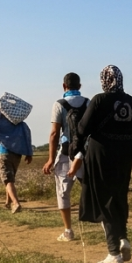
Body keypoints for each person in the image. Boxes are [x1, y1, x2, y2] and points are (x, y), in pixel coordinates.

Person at [69, 65, 132, 263]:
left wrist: (75, 150)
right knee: (119, 195)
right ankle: (122, 238)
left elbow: (82, 128)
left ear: (103, 80)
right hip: (125, 153)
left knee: (104, 199)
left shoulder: (99, 100)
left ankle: (114, 253)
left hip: (101, 153)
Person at [43, 72, 88, 242]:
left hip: (65, 152)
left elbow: (54, 133)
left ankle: (68, 230)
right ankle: (104, 224)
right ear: (80, 86)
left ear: (64, 86)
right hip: (84, 153)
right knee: (90, 189)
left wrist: (49, 159)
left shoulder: (58, 104)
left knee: (63, 193)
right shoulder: (88, 103)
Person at [0, 100, 34, 214]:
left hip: (4, 152)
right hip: (17, 154)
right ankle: (7, 202)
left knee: (7, 180)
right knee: (11, 178)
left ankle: (16, 203)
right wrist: (29, 153)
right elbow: (27, 136)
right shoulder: (20, 123)